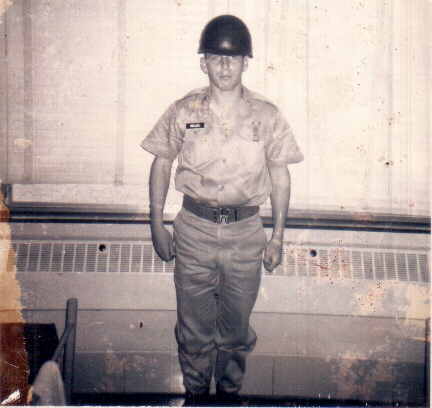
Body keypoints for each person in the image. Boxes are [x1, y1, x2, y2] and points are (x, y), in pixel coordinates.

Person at [141, 14, 303, 405]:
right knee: (193, 330)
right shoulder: (184, 110)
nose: (225, 66)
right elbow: (162, 163)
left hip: (246, 233)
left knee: (235, 331)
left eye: (233, 58)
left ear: (246, 62)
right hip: (194, 230)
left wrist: (278, 236)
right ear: (204, 63)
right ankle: (196, 396)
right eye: (216, 57)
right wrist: (156, 224)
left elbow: (280, 176)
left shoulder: (267, 115)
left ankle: (229, 397)